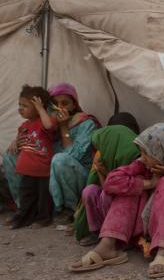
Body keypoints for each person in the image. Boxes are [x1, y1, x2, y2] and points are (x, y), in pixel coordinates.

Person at [69, 123, 164, 278]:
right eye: (141, 154)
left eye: (147, 154)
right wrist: (148, 184)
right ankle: (108, 245)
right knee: (132, 183)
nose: (142, 159)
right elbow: (111, 182)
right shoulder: (141, 165)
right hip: (136, 231)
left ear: (162, 153)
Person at [73, 123, 140, 244]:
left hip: (127, 213)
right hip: (109, 203)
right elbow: (106, 186)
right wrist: (100, 171)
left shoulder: (133, 157)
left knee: (106, 195)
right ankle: (97, 232)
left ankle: (118, 237)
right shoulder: (105, 156)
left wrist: (104, 172)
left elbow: (114, 187)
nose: (99, 150)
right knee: (90, 190)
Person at [47, 82, 101, 221]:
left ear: (74, 105)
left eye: (65, 103)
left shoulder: (85, 123)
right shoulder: (50, 124)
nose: (59, 108)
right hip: (54, 175)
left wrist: (64, 127)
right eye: (55, 103)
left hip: (82, 176)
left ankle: (70, 209)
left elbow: (74, 156)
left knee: (60, 160)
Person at [5, 85, 57, 228]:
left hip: (43, 170)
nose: (20, 108)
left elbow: (48, 126)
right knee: (27, 196)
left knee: (43, 198)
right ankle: (23, 218)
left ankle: (42, 219)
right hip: (27, 170)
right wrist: (15, 142)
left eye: (25, 105)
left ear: (38, 106)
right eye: (19, 105)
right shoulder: (23, 125)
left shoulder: (45, 121)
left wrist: (41, 109)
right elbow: (21, 139)